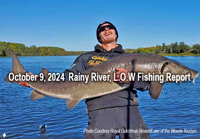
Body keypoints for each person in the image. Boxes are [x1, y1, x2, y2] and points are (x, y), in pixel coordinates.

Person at [19, 21, 151, 139]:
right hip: (99, 112)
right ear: (99, 36)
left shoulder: (131, 58)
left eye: (109, 27)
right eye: (102, 29)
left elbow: (146, 84)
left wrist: (131, 79)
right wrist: (38, 79)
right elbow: (68, 77)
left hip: (129, 109)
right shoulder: (86, 57)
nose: (106, 29)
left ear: (116, 34)